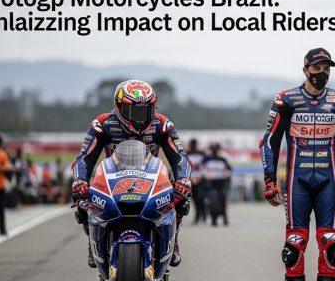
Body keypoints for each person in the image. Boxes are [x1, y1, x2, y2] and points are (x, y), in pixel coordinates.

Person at [259, 47, 335, 281]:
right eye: (316, 68)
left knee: (330, 243)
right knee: (295, 243)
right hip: (297, 180)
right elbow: (269, 142)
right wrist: (269, 179)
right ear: (305, 70)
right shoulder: (286, 99)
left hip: (330, 179)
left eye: (326, 68)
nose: (322, 73)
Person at [71, 80, 192, 268]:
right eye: (135, 112)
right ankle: (92, 240)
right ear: (119, 108)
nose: (142, 118)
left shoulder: (162, 124)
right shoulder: (102, 124)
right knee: (83, 201)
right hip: (113, 177)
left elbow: (180, 157)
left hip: (150, 176)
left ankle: (173, 239)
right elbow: (84, 158)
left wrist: (184, 179)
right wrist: (79, 181)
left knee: (181, 198)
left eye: (147, 111)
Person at [201, 143, 232, 226]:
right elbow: (202, 169)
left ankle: (225, 217)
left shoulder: (223, 159)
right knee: (212, 201)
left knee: (222, 200)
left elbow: (229, 170)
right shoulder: (206, 159)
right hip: (211, 183)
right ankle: (213, 219)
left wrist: (226, 174)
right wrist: (205, 175)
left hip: (221, 182)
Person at [186, 138, 207, 224]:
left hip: (200, 178)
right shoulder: (187, 154)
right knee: (195, 199)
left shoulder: (202, 154)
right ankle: (199, 215)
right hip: (191, 179)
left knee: (200, 198)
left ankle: (201, 214)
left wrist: (201, 176)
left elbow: (205, 166)